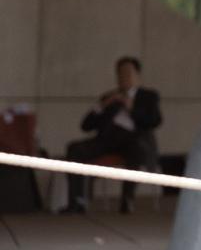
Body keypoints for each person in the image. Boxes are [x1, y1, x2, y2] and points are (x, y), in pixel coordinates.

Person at [60, 56, 161, 213]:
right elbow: (85, 126)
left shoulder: (149, 96)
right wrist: (102, 106)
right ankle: (77, 201)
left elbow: (154, 121)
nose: (124, 77)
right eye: (120, 73)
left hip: (133, 140)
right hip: (107, 140)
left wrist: (131, 108)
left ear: (137, 75)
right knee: (74, 149)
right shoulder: (109, 97)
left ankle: (127, 200)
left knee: (137, 150)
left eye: (128, 73)